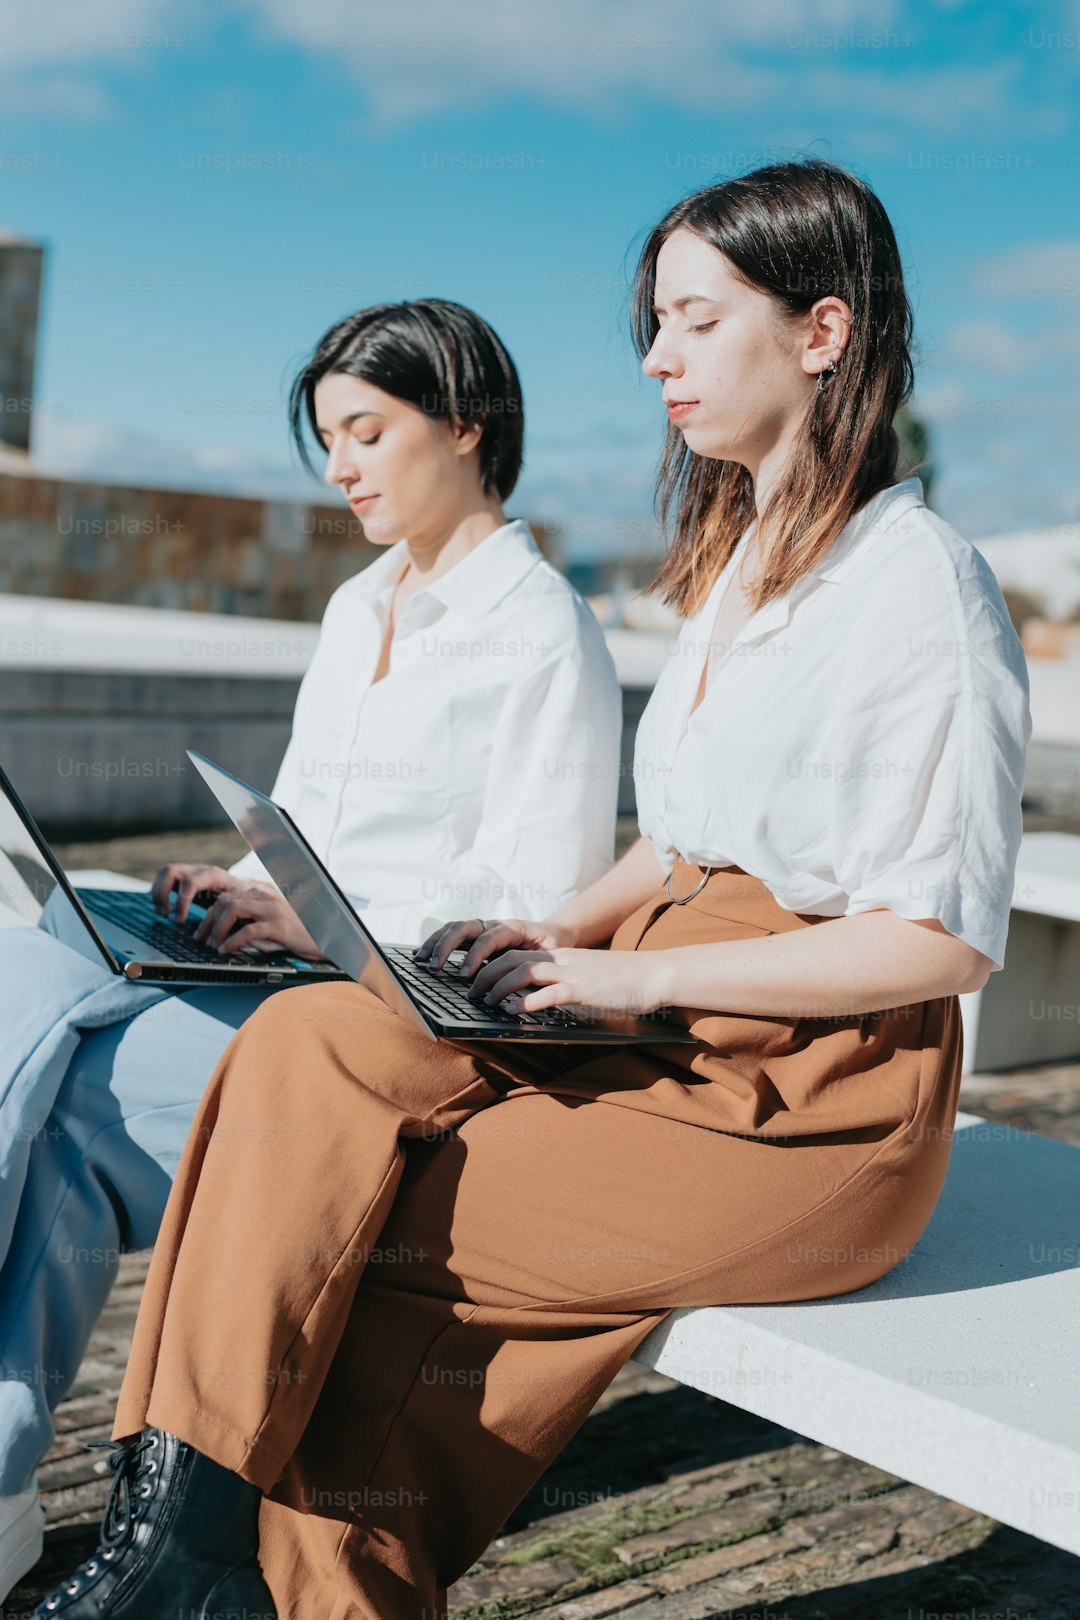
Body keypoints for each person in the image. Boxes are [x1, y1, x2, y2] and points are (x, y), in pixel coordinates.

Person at [30, 159, 1030, 1620]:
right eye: (656, 324)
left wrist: (635, 973)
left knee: (369, 1217)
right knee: (312, 1045)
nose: (653, 358)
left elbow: (936, 943)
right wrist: (568, 925)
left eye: (692, 320)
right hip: (665, 1010)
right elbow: (690, 838)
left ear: (823, 332)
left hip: (815, 1098)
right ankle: (174, 1545)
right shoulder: (741, 565)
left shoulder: (920, 586)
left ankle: (270, 1580)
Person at [0, 298, 623, 1605]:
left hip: (392, 1030)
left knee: (74, 1096)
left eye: (365, 430)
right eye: (327, 436)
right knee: (44, 943)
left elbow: (526, 917)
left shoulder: (542, 630)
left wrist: (322, 924)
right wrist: (226, 888)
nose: (339, 465)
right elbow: (304, 834)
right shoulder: (357, 606)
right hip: (293, 974)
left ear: (466, 424)